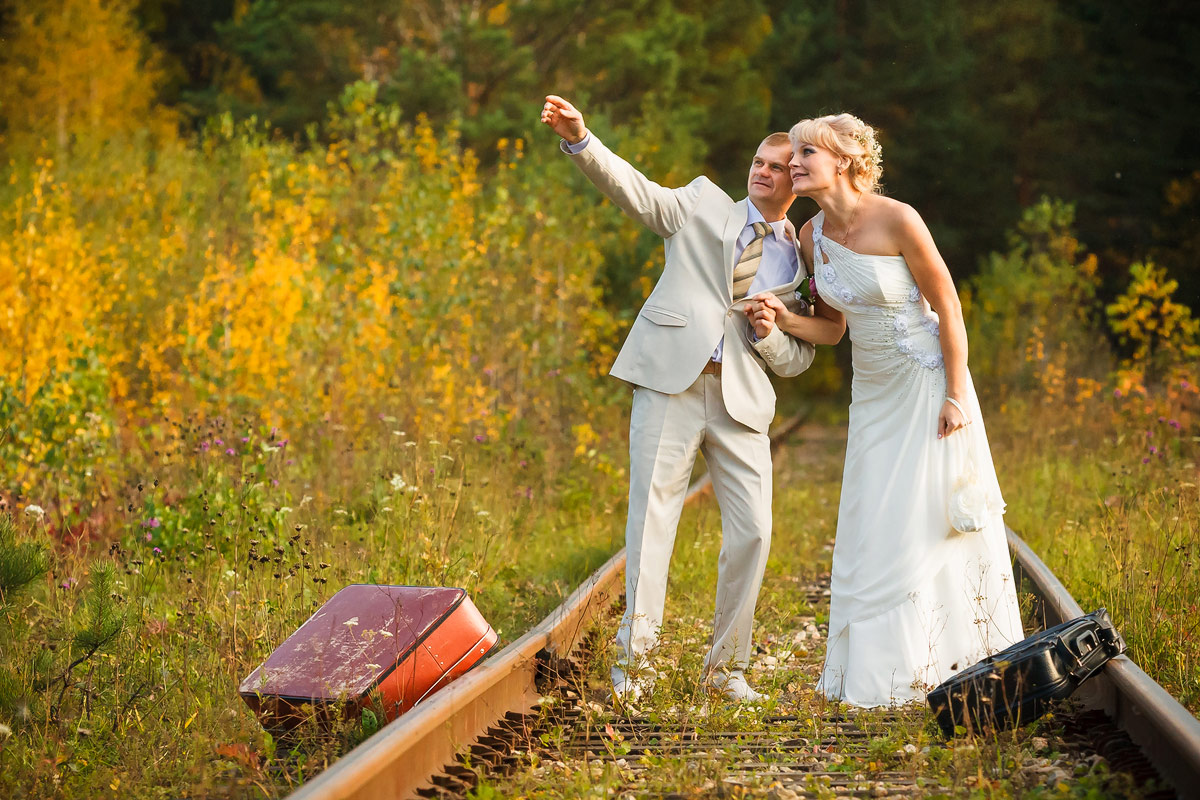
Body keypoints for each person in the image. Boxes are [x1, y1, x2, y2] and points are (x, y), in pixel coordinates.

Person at [540, 95, 815, 704]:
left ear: (796, 178)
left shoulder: (799, 259)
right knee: (652, 523)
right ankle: (633, 670)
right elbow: (635, 190)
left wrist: (772, 337)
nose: (762, 171)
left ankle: (727, 672)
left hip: (742, 400)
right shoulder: (700, 202)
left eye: (776, 166)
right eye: (758, 162)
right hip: (672, 384)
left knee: (756, 533)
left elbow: (801, 358)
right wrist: (582, 139)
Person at [746, 113, 1024, 707]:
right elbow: (832, 330)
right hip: (871, 394)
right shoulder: (812, 235)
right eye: (791, 153)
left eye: (806, 153)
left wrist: (955, 393)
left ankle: (955, 662)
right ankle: (884, 673)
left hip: (927, 383)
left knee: (927, 516)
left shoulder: (898, 219)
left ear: (843, 159)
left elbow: (948, 308)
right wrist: (780, 316)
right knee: (871, 519)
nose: (793, 163)